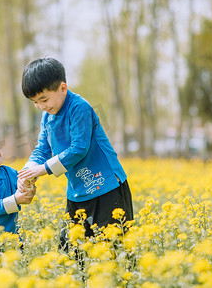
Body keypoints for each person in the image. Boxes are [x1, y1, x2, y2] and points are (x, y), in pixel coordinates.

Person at [17, 57, 133, 248]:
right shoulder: (47, 116)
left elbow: (79, 149)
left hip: (107, 187)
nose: (41, 106)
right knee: (70, 248)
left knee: (113, 247)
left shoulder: (79, 107)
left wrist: (42, 170)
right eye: (35, 102)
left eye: (44, 99)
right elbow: (42, 148)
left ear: (63, 88)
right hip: (78, 191)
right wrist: (27, 172)